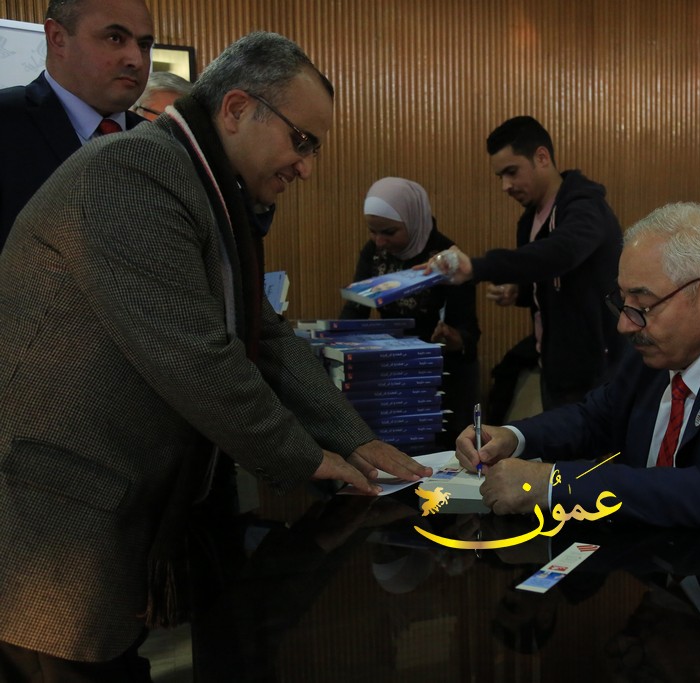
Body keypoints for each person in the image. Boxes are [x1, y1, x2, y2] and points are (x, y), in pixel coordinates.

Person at [0, 31, 430, 681]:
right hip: (57, 529)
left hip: (105, 511)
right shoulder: (134, 172)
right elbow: (195, 355)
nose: (306, 168)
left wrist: (355, 438)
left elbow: (265, 333)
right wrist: (307, 457)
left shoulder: (202, 186)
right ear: (235, 108)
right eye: (301, 141)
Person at [454, 202, 700, 598]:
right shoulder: (660, 350)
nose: (624, 324)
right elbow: (596, 417)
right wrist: (512, 436)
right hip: (673, 574)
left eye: (643, 304)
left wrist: (552, 482)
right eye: (622, 302)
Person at [425, 116, 624, 413]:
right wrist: (521, 293)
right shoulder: (530, 220)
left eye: (512, 172)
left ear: (542, 157)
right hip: (556, 368)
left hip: (596, 373)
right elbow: (554, 279)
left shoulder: (585, 206)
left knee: (588, 446)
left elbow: (561, 254)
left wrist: (477, 267)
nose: (506, 186)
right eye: (500, 177)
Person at [0, 0, 155, 249]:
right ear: (57, 37)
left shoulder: (159, 143)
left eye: (144, 45)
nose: (136, 60)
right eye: (115, 38)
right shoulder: (7, 123)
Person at [341, 177, 481, 449]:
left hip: (439, 380)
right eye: (373, 232)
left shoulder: (447, 260)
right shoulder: (374, 253)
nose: (379, 241)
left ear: (413, 220)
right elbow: (355, 309)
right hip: (391, 374)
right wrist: (338, 341)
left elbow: (469, 335)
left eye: (389, 232)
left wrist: (453, 338)